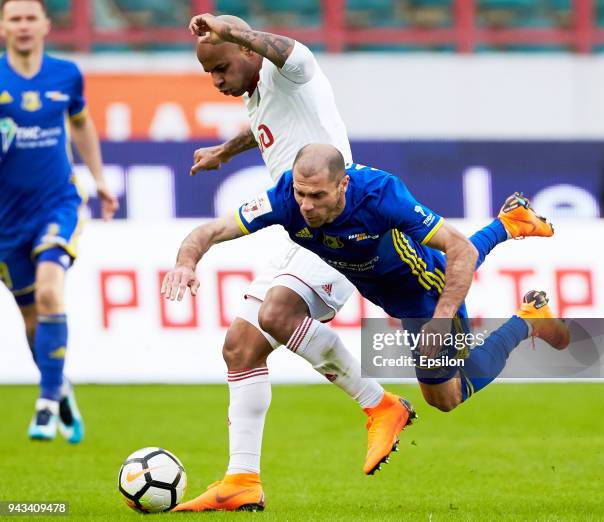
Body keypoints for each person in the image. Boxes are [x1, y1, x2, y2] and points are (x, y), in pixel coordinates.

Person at [163, 144, 565, 511]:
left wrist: (441, 319)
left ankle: (526, 321)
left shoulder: (381, 195)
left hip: (423, 296)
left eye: (318, 196)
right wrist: (186, 261)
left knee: (445, 396)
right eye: (301, 194)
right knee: (278, 313)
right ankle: (510, 222)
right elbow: (212, 231)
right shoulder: (286, 197)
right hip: (384, 285)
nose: (306, 205)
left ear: (343, 185)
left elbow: (459, 248)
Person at [184, 12, 415, 506]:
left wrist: (234, 32)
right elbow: (263, 128)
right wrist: (226, 150)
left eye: (221, 66)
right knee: (241, 346)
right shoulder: (259, 94)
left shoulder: (291, 71)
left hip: (341, 223)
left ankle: (380, 405)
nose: (217, 80)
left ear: (248, 49)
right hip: (300, 231)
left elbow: (289, 51)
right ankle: (241, 482)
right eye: (209, 73)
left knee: (276, 314)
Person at [0, 0, 118, 442]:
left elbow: (81, 123)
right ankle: (60, 387)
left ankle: (46, 405)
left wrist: (100, 178)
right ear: (3, 26)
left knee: (52, 289)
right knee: (32, 318)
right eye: (15, 18)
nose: (24, 25)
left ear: (46, 25)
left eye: (31, 17)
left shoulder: (66, 74)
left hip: (58, 203)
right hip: (6, 218)